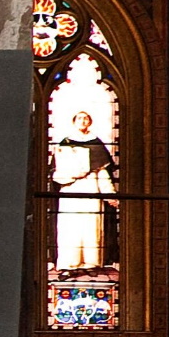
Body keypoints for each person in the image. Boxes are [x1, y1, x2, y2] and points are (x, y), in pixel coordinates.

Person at [51, 111, 117, 270]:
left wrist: (109, 194)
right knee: (70, 226)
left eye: (86, 118)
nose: (83, 121)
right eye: (79, 118)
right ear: (74, 121)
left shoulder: (96, 143)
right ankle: (69, 264)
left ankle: (91, 264)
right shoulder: (65, 143)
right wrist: (72, 174)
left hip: (91, 187)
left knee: (91, 226)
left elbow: (102, 172)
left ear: (90, 122)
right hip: (70, 188)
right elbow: (56, 170)